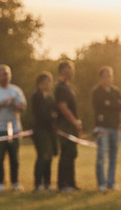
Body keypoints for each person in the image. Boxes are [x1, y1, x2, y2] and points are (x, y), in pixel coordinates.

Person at [92, 66, 121, 191]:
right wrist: (114, 105)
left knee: (113, 156)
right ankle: (101, 183)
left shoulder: (116, 91)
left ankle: (111, 182)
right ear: (101, 78)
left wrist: (110, 104)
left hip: (115, 127)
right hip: (103, 127)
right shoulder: (97, 92)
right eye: (105, 76)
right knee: (101, 156)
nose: (108, 78)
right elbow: (99, 107)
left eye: (110, 76)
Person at [55, 60, 82, 191]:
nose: (69, 72)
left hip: (71, 125)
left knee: (72, 154)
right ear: (61, 71)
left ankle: (71, 183)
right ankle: (63, 184)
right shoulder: (60, 88)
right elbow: (63, 107)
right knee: (66, 154)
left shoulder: (68, 88)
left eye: (70, 69)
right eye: (66, 70)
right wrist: (74, 121)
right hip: (65, 125)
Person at [30, 71, 58, 191]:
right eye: (46, 82)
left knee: (49, 157)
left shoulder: (50, 98)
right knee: (42, 156)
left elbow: (54, 112)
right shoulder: (36, 96)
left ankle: (47, 183)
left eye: (50, 82)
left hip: (49, 130)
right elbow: (41, 114)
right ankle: (38, 184)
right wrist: (51, 116)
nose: (48, 85)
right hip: (40, 130)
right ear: (40, 84)